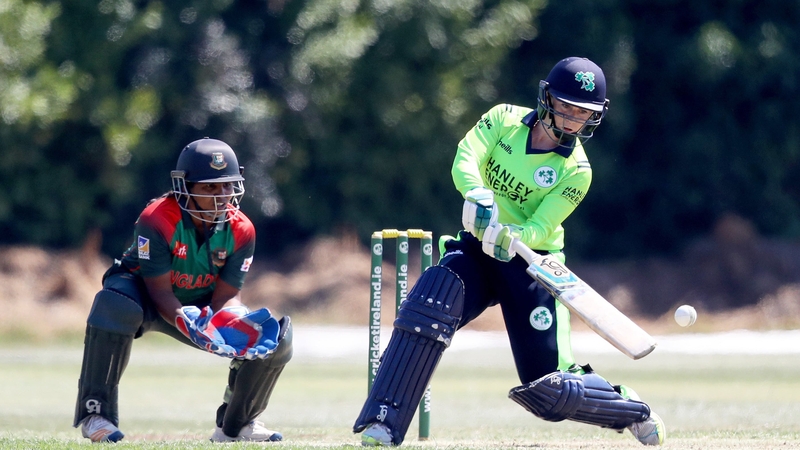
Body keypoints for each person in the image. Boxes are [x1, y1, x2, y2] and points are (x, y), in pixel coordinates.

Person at [353, 57, 665, 446]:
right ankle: (383, 421)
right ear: (546, 97)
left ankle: (630, 409)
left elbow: (541, 226)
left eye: (582, 113)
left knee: (551, 390)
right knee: (430, 304)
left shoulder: (577, 170)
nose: (570, 121)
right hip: (476, 251)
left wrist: (514, 234)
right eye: (565, 107)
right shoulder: (503, 119)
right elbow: (465, 157)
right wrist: (476, 193)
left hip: (532, 266)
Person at [73, 138, 293, 443]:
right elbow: (160, 291)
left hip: (200, 304)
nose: (221, 197)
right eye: (209, 188)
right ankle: (95, 413)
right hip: (145, 295)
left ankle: (236, 426)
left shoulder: (242, 229)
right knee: (114, 305)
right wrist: (189, 325)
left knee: (275, 338)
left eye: (227, 186)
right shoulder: (158, 219)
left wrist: (230, 324)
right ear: (183, 186)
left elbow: (226, 296)